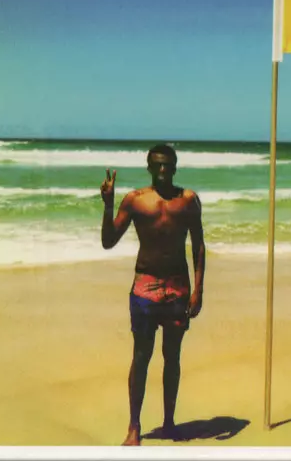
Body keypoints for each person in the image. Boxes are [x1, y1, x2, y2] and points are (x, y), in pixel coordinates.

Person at [100, 144, 205, 446]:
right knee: (141, 357)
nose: (162, 170)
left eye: (167, 165)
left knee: (172, 357)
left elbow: (198, 245)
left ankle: (169, 423)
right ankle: (134, 427)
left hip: (177, 288)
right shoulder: (135, 200)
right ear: (148, 167)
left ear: (175, 167)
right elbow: (108, 241)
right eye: (157, 165)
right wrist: (108, 205)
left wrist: (199, 289)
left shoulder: (188, 201)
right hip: (145, 286)